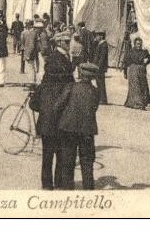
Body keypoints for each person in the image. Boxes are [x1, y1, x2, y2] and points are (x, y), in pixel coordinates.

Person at [29, 45, 73, 190]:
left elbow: (33, 105)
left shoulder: (43, 87)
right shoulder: (66, 88)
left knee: (46, 158)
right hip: (62, 126)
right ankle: (59, 182)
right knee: (61, 156)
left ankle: (47, 185)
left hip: (46, 127)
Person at [58, 62, 100, 190]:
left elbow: (59, 105)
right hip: (87, 130)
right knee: (87, 162)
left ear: (80, 74)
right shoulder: (95, 92)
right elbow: (94, 108)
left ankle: (67, 189)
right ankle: (88, 189)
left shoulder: (71, 87)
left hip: (69, 128)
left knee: (68, 161)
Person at [124, 38, 150, 110]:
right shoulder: (131, 51)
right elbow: (126, 61)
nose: (139, 45)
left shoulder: (144, 52)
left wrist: (146, 62)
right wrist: (125, 73)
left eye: (140, 44)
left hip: (142, 72)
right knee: (135, 87)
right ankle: (137, 104)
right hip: (133, 71)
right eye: (137, 44)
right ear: (135, 44)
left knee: (142, 87)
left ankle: (141, 103)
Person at [92, 31, 109, 104]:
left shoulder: (104, 45)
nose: (96, 37)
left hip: (100, 67)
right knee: (99, 82)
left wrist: (99, 66)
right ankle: (101, 98)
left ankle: (103, 99)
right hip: (99, 66)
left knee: (101, 83)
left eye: (97, 36)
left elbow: (102, 57)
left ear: (101, 36)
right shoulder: (100, 44)